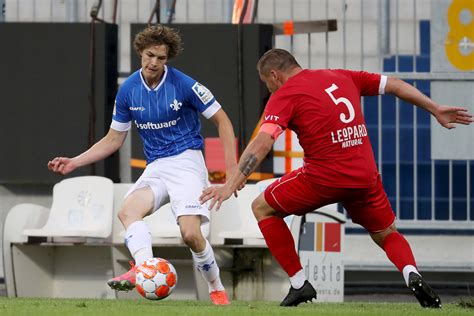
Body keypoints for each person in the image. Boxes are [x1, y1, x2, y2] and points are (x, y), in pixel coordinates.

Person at [200, 48, 473, 307]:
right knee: (386, 233)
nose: (268, 89)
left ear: (274, 75)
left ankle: (298, 283)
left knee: (261, 207)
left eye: (266, 83)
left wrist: (232, 182)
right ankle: (411, 272)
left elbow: (264, 140)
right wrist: (434, 108)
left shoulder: (285, 94)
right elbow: (395, 84)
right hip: (364, 177)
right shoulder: (342, 76)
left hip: (323, 179)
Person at [48, 25, 238, 305]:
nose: (154, 63)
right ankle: (144, 268)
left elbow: (223, 121)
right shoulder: (128, 91)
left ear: (167, 59)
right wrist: (75, 161)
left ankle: (216, 287)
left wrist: (231, 171)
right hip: (157, 165)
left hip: (187, 161)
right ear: (140, 52)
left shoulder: (184, 85)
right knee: (128, 212)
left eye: (161, 58)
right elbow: (114, 139)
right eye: (150, 55)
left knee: (191, 235)